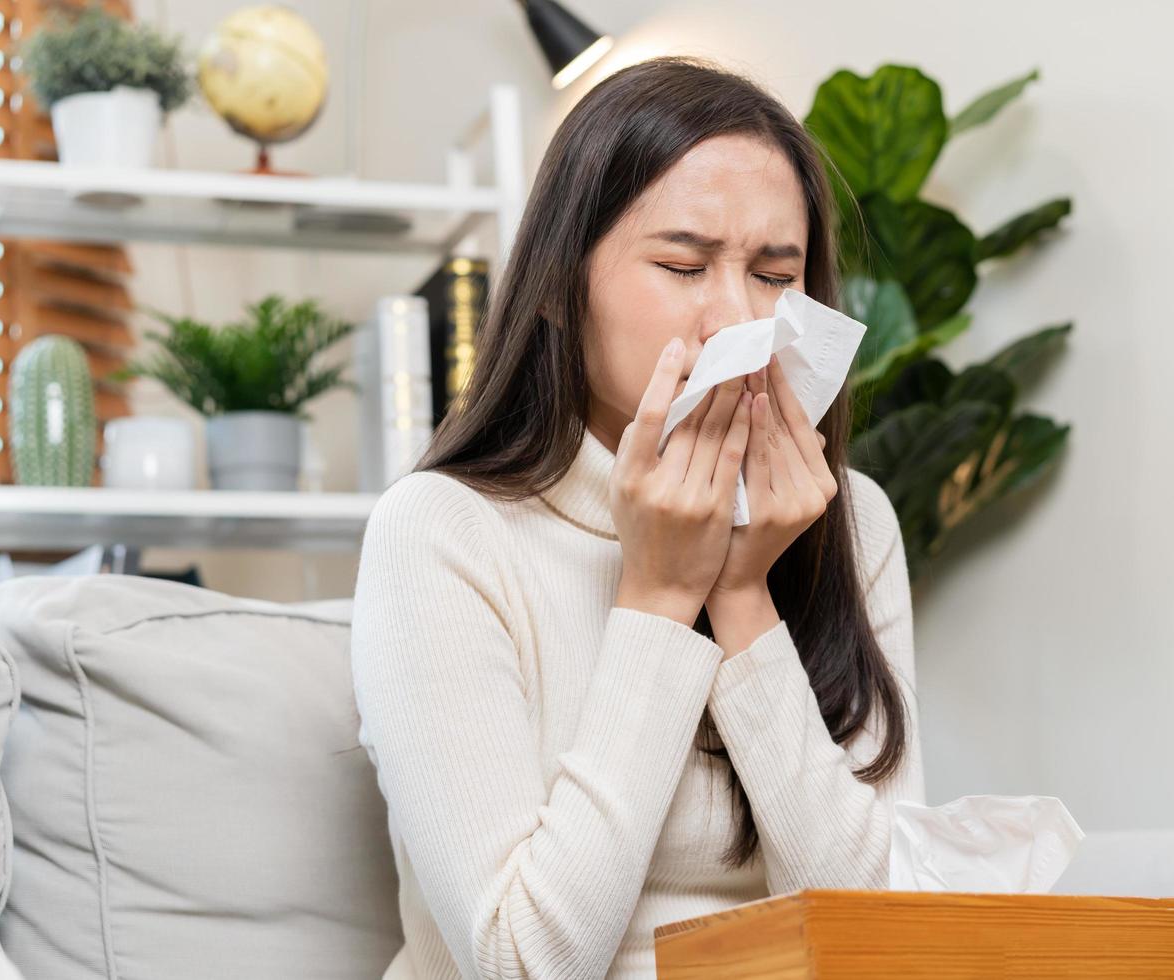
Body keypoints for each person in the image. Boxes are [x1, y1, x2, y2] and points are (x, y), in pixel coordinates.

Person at [350, 54, 925, 980]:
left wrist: (742, 591)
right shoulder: (442, 534)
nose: (736, 321)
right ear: (560, 283)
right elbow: (524, 964)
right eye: (684, 266)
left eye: (776, 276)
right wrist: (661, 593)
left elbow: (876, 940)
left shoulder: (853, 520)